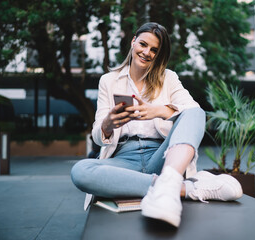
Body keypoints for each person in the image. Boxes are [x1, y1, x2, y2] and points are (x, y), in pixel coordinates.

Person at [71, 22, 243, 227]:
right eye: (143, 44)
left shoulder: (168, 78)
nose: (146, 52)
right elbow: (98, 137)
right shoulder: (108, 81)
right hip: (124, 161)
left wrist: (159, 111)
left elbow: (192, 110)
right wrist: (107, 124)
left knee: (195, 112)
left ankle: (168, 179)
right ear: (133, 42)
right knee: (80, 171)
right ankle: (184, 188)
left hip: (162, 157)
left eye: (154, 50)